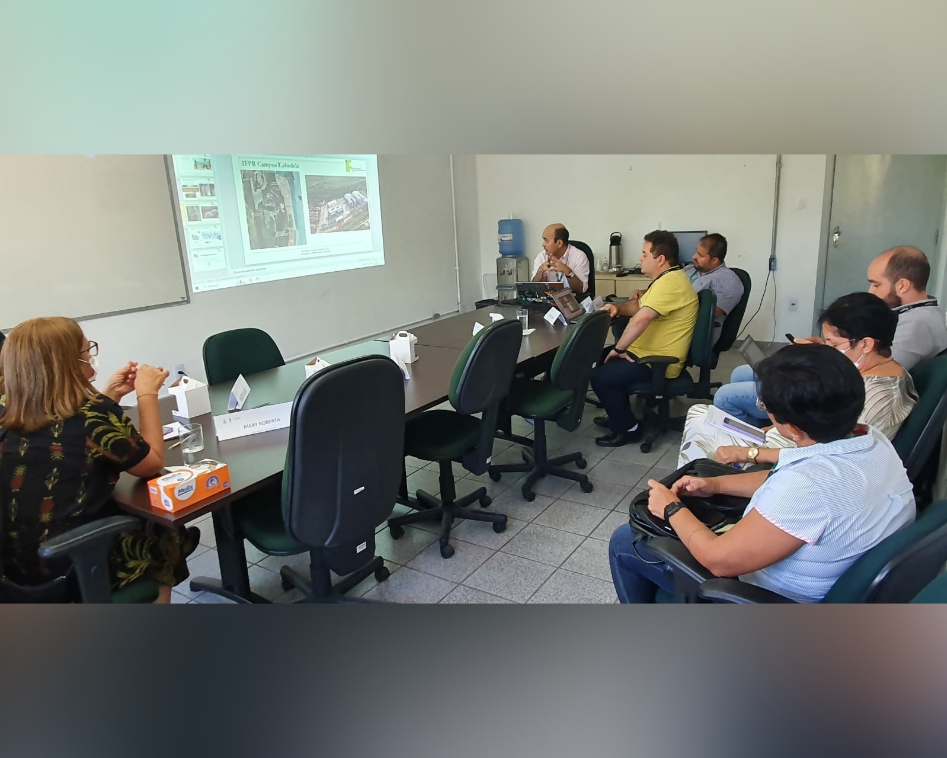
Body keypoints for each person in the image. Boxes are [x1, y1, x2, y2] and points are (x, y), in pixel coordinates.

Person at [609, 343, 916, 603]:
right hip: (836, 574)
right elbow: (781, 475)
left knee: (625, 541)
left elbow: (718, 560)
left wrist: (672, 508)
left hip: (772, 598)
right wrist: (715, 485)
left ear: (792, 428)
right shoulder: (869, 438)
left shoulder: (808, 486)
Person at [0, 317, 198, 603]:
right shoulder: (92, 414)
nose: (91, 356)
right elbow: (151, 463)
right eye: (86, 350)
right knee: (161, 527)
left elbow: (65, 434)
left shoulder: (8, 408)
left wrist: (110, 395)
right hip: (70, 567)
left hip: (14, 569)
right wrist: (147, 393)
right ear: (67, 363)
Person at [678, 292, 918, 467]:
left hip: (795, 459)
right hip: (788, 442)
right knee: (705, 418)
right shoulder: (867, 372)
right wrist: (770, 430)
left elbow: (825, 456)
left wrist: (750, 453)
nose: (829, 350)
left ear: (866, 344)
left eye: (834, 345)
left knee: (700, 421)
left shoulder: (880, 398)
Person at [714, 245, 946, 425]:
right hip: (838, 383)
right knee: (742, 372)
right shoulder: (910, 313)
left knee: (727, 395)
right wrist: (826, 346)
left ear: (902, 285)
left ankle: (765, 436)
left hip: (833, 393)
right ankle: (767, 430)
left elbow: (868, 365)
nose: (871, 291)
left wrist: (817, 356)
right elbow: (861, 355)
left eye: (876, 284)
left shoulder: (917, 324)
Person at [589, 230, 698, 447]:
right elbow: (640, 306)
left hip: (658, 362)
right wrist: (618, 308)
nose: (640, 258)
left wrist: (619, 349)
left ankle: (630, 429)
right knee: (599, 359)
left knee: (601, 377)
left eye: (644, 254)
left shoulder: (671, 283)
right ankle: (618, 415)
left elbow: (642, 318)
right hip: (646, 353)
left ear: (660, 259)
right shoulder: (667, 279)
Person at [682, 233, 745, 345]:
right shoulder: (689, 269)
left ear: (714, 260)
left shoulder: (729, 281)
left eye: (700, 255)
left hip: (695, 334)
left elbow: (709, 313)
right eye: (696, 252)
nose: (694, 257)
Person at [530, 223, 589, 295]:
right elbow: (532, 289)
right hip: (547, 300)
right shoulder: (541, 256)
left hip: (572, 299)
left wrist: (568, 272)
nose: (543, 244)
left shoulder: (578, 256)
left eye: (546, 240)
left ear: (559, 243)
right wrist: (540, 272)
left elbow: (581, 290)